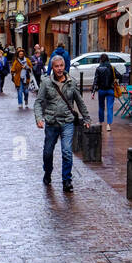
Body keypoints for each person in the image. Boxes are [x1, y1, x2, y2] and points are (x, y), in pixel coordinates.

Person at [33, 54, 91, 193]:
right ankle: (47, 173)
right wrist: (39, 118)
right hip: (52, 122)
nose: (59, 69)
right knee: (48, 152)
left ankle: (67, 180)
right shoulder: (46, 83)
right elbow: (38, 103)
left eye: (61, 66)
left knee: (66, 151)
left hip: (67, 121)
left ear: (65, 66)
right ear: (52, 68)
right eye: (56, 66)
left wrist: (87, 118)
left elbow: (80, 101)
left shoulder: (72, 82)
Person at [91, 53, 119, 132]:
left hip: (101, 90)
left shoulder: (98, 68)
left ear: (100, 60)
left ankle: (100, 122)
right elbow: (119, 75)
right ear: (108, 59)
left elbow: (95, 81)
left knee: (101, 107)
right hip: (110, 90)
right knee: (110, 107)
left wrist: (93, 92)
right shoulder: (112, 68)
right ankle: (108, 125)